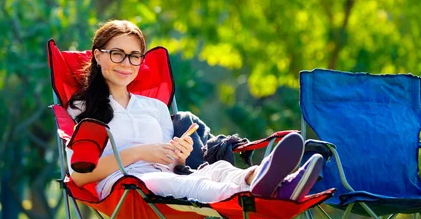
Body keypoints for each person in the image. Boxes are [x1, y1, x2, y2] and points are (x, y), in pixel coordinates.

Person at [66, 19, 323, 203]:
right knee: (186, 183)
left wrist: (179, 155)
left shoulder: (155, 107)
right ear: (98, 56)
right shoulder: (82, 107)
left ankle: (265, 179)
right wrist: (139, 153)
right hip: (126, 189)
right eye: (117, 54)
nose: (127, 63)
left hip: (164, 176)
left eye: (135, 56)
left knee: (219, 170)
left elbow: (173, 164)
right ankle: (267, 193)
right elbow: (79, 175)